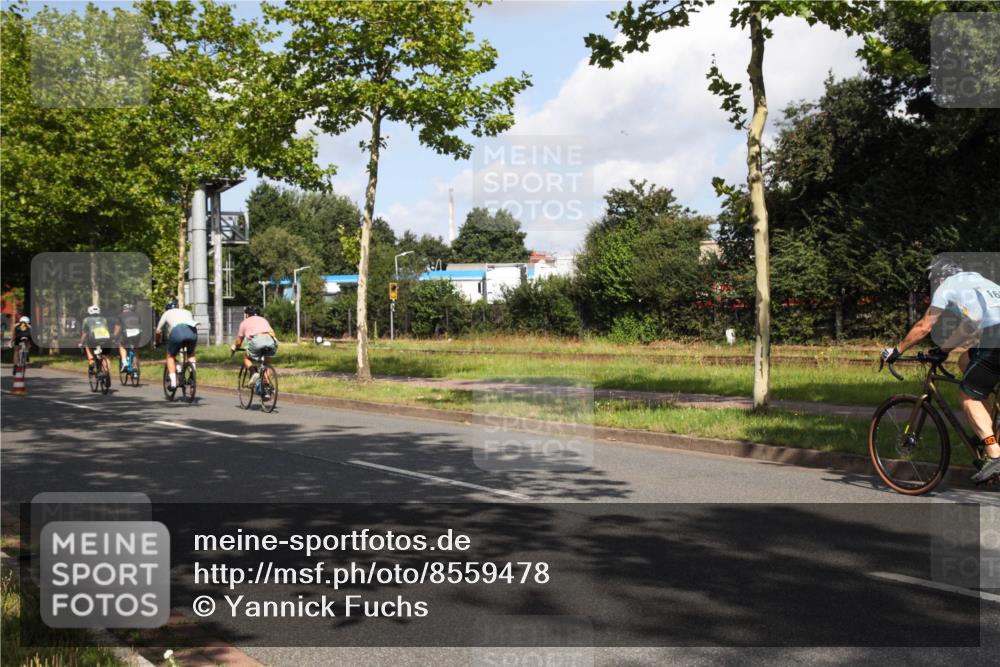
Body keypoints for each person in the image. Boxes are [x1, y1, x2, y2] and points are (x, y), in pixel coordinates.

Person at [881, 257, 1000, 483]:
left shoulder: (946, 286)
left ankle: (994, 453)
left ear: (938, 277)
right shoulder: (978, 281)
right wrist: (944, 350)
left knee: (967, 397)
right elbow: (970, 325)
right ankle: (988, 430)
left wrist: (896, 350)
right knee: (965, 360)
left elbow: (924, 326)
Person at [153, 300, 198, 391]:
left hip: (178, 333)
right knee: (191, 354)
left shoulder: (166, 313)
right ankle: (192, 374)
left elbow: (158, 331)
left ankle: (173, 383)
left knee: (170, 356)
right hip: (192, 332)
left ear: (167, 308)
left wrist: (156, 342)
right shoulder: (187, 311)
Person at [230, 305, 278, 386]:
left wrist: (234, 347)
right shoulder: (264, 319)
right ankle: (267, 388)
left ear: (247, 314)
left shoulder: (244, 322)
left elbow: (239, 342)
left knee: (246, 357)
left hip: (257, 341)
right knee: (267, 364)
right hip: (271, 340)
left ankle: (253, 373)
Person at [79, 305, 113, 370]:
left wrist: (81, 343)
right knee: (105, 355)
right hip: (105, 338)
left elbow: (85, 333)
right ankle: (107, 372)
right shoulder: (104, 319)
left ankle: (91, 361)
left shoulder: (86, 320)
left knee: (87, 346)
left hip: (93, 338)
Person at [112, 303, 143, 372]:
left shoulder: (120, 316)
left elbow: (117, 329)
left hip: (127, 332)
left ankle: (124, 362)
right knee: (135, 349)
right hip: (138, 332)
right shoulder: (137, 315)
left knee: (121, 345)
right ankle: (135, 367)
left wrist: (114, 338)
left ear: (123, 309)